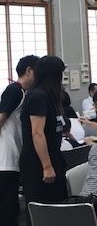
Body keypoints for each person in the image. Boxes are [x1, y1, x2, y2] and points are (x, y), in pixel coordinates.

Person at [20, 56, 68, 209]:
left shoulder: (51, 97)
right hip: (38, 164)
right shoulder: (38, 96)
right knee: (43, 210)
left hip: (54, 158)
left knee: (60, 207)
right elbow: (37, 133)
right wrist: (47, 166)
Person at [0, 55, 39, 226]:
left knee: (11, 210)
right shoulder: (14, 90)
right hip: (5, 161)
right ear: (29, 70)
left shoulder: (23, 93)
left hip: (12, 159)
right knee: (6, 212)